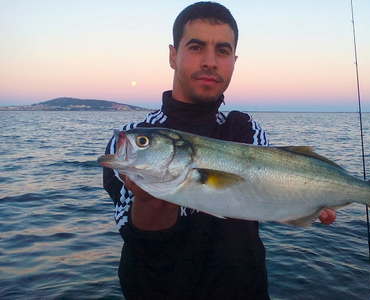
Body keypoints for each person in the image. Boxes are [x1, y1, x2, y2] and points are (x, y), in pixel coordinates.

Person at [102, 2, 336, 299]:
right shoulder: (132, 137)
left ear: (234, 61)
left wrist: (306, 198)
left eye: (222, 51)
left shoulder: (247, 129)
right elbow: (140, 240)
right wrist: (150, 198)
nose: (210, 62)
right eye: (196, 47)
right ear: (173, 56)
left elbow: (261, 198)